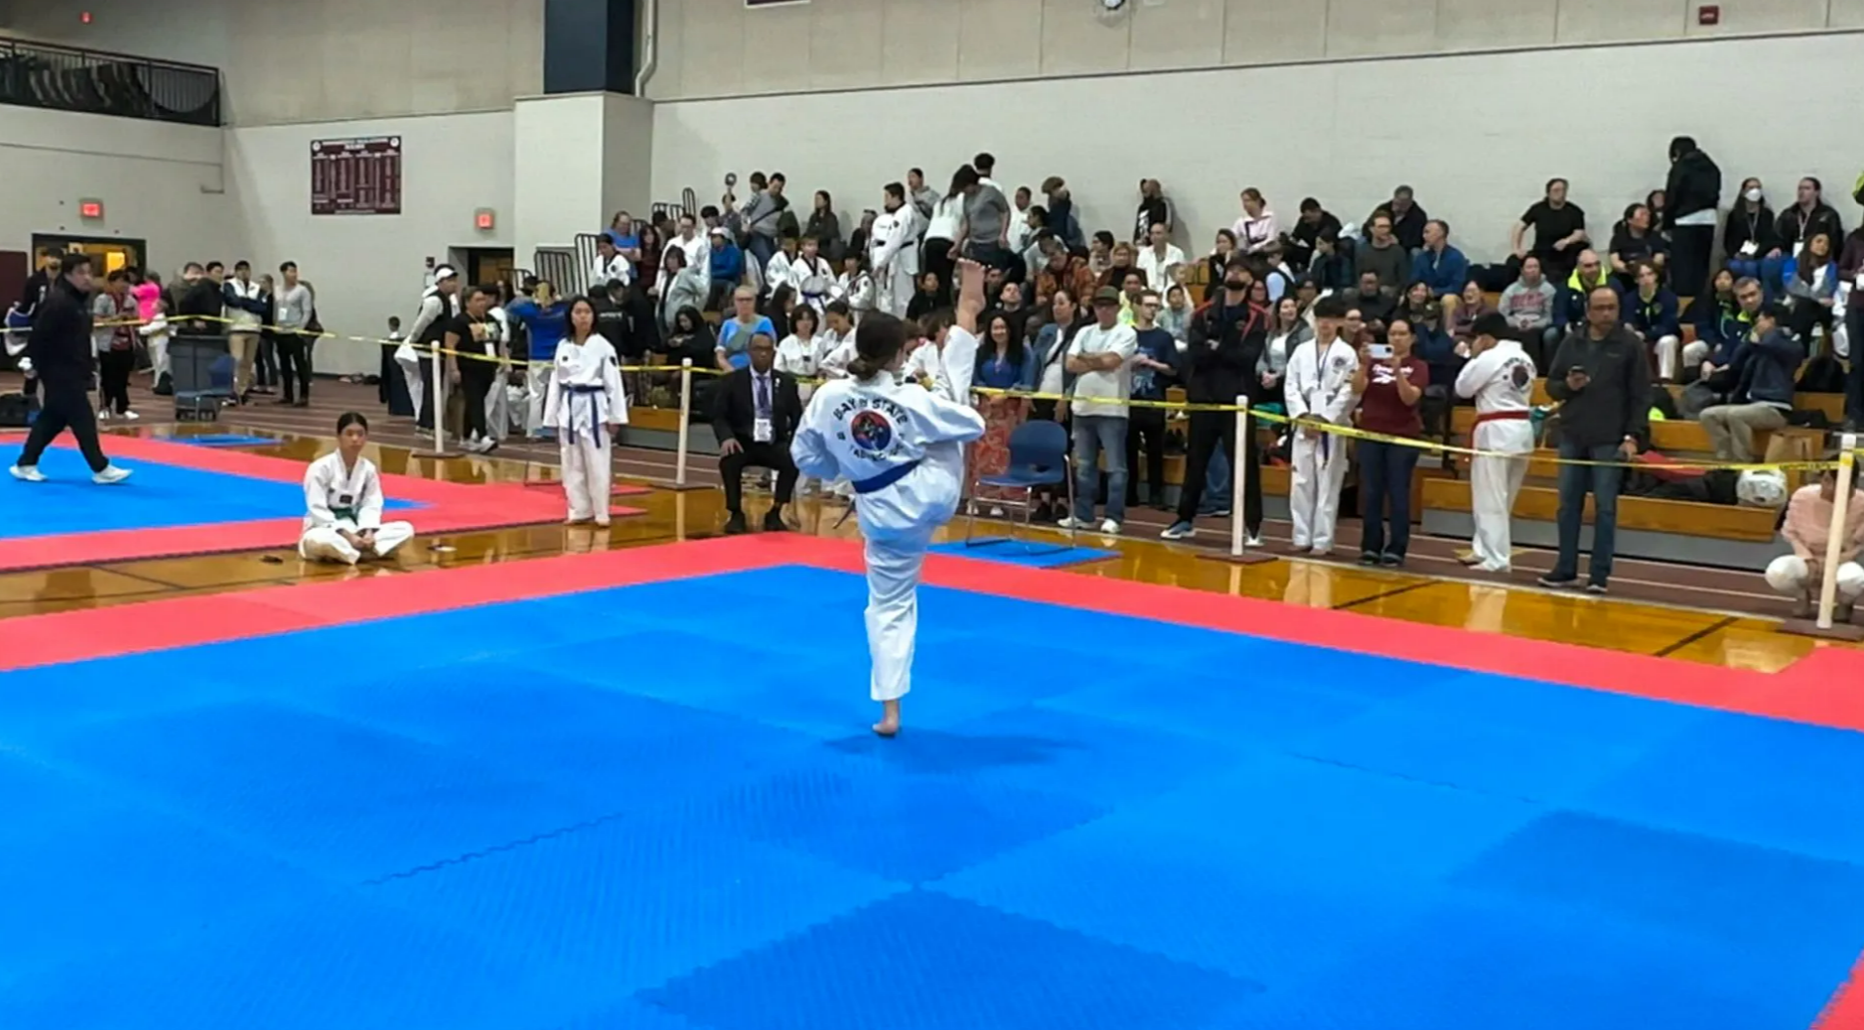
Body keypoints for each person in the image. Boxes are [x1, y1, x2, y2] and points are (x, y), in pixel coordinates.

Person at [789, 311, 987, 737]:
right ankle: (962, 334)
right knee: (947, 427)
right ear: (900, 355)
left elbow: (804, 456)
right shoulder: (910, 397)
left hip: (881, 513)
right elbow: (974, 424)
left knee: (888, 608)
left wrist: (844, 467)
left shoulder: (827, 396)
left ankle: (890, 711)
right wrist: (929, 398)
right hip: (933, 495)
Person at [1541, 284, 1651, 594]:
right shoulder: (1571, 342)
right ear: (1588, 311)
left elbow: (1641, 395)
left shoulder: (1630, 345)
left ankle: (1599, 575)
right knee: (1567, 505)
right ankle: (1565, 567)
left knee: (1605, 507)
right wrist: (1569, 386)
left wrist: (1632, 437)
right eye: (1600, 308)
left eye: (1611, 308)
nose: (1606, 313)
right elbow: (1552, 385)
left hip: (1609, 436)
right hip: (1573, 432)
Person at [1162, 258, 1265, 541]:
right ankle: (1184, 519)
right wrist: (1222, 350)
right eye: (1232, 270)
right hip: (1205, 397)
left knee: (1244, 464)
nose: (1235, 274)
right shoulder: (1203, 312)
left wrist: (1217, 348)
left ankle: (1252, 526)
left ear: (1250, 281)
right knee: (1195, 461)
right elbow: (1195, 353)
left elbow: (1248, 358)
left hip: (1238, 402)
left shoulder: (1257, 316)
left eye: (1242, 271)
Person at [8, 255, 131, 485]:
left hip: (72, 367)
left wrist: (87, 366)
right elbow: (40, 334)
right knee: (82, 415)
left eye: (89, 272)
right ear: (68, 275)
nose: (87, 278)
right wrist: (30, 362)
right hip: (57, 368)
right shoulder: (59, 302)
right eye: (81, 273)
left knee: (52, 418)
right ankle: (100, 466)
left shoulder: (78, 302)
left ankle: (25, 462)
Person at [1455, 313, 1538, 573]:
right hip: (1522, 432)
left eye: (1476, 339)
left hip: (1495, 432)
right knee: (1504, 498)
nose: (1474, 343)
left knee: (1489, 499)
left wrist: (1473, 358)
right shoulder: (1525, 357)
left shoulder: (1489, 357)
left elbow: (1463, 388)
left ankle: (1497, 559)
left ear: (1486, 338)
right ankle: (1483, 548)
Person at [1055, 287, 1136, 534]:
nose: (1104, 310)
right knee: (1085, 465)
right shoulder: (1084, 331)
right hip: (1082, 407)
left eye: (1109, 306)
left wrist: (1086, 359)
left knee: (1115, 467)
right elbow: (1070, 363)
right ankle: (1084, 514)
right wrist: (1099, 360)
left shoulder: (1126, 333)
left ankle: (1114, 516)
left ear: (1117, 308)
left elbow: (1113, 362)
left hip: (1112, 408)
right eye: (1099, 306)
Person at [1285, 296, 1359, 555]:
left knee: (1328, 485)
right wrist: (1303, 416)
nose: (1325, 325)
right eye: (1320, 319)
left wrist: (1326, 419)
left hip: (1330, 427)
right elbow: (1290, 385)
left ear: (1339, 322)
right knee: (1301, 482)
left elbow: (1350, 392)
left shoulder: (1347, 354)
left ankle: (1322, 540)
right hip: (1304, 424)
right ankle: (1301, 536)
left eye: (1330, 320)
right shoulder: (1301, 351)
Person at [1352, 315, 1428, 566]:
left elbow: (1409, 398)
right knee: (1372, 492)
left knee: (1398, 492)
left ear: (1412, 338)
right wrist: (1363, 364)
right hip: (1372, 432)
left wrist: (1397, 370)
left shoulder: (1418, 366)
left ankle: (1397, 547)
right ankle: (1370, 546)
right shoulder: (1373, 361)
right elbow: (1357, 389)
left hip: (1402, 436)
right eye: (1392, 334)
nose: (1396, 338)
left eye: (1401, 334)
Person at [545, 297, 626, 527]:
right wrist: (552, 417)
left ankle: (601, 511)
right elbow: (555, 383)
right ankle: (578, 509)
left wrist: (615, 416)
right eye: (578, 312)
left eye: (587, 312)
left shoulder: (603, 346)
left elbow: (614, 383)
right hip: (569, 407)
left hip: (595, 407)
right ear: (570, 316)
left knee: (597, 461)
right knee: (571, 462)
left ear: (594, 316)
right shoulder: (563, 346)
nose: (582, 316)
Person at [713, 333, 803, 534]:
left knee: (792, 460)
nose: (763, 354)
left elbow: (798, 417)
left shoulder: (786, 383)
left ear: (773, 353)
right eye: (758, 349)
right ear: (749, 352)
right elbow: (719, 416)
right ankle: (736, 513)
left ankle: (776, 511)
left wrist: (795, 442)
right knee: (729, 461)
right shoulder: (732, 381)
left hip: (773, 441)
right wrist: (727, 437)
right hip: (743, 441)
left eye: (767, 350)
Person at [299, 412, 415, 565]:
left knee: (405, 529)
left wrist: (368, 532)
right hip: (326, 529)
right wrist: (348, 536)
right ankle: (359, 553)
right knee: (318, 540)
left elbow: (371, 504)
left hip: (356, 528)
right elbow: (317, 509)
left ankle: (354, 551)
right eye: (349, 434)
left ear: (366, 437)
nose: (355, 439)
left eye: (360, 434)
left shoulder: (368, 469)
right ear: (338, 437)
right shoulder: (320, 468)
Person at [1700, 302, 1803, 464]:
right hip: (1752, 404)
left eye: (1760, 320)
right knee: (1708, 415)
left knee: (1736, 415)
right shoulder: (1757, 347)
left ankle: (1742, 463)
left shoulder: (1789, 341)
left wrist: (1762, 341)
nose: (1756, 325)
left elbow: (1788, 351)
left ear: (1771, 320)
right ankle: (1725, 461)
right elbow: (1735, 363)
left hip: (1775, 407)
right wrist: (1749, 344)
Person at [1766, 463, 1864, 620]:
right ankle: (1802, 597)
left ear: (1848, 483)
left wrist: (1835, 561)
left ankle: (1845, 604)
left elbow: (1860, 544)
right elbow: (1791, 532)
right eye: (1824, 479)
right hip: (1807, 558)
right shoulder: (1803, 496)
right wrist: (1807, 558)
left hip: (1842, 561)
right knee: (1777, 573)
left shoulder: (1861, 503)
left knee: (1854, 579)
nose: (1825, 486)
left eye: (1831, 481)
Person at [444, 285, 504, 454]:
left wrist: (502, 359)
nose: (482, 303)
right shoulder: (459, 322)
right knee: (475, 401)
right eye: (477, 300)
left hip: (488, 367)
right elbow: (450, 345)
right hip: (469, 369)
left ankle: (466, 437)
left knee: (474, 403)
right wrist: (454, 368)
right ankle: (483, 437)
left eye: (483, 300)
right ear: (467, 302)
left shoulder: (491, 320)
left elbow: (499, 341)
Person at [1662, 135, 1722, 297]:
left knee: (1683, 267)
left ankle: (1683, 303)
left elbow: (1672, 196)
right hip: (1708, 220)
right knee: (1701, 266)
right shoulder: (1712, 167)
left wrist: (1666, 224)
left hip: (1684, 221)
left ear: (1676, 151)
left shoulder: (1681, 167)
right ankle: (1699, 301)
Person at [408, 267, 461, 434]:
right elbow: (421, 323)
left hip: (438, 352)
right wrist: (413, 340)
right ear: (441, 282)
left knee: (435, 389)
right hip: (428, 352)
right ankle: (426, 425)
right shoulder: (434, 301)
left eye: (455, 280)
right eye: (450, 280)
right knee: (432, 389)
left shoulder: (447, 301)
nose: (454, 284)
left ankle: (429, 424)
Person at [1513, 177, 1589, 280]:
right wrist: (1517, 249)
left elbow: (1579, 233)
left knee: (1554, 273)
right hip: (1541, 251)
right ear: (1548, 192)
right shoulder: (1538, 209)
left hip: (1564, 254)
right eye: (1556, 190)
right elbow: (1519, 227)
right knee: (1512, 263)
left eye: (1563, 190)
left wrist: (1566, 241)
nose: (1560, 194)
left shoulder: (1574, 211)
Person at [1623, 262, 1683, 381]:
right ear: (1636, 280)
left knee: (1666, 342)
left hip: (1666, 335)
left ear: (1656, 276)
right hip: (1639, 337)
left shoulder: (1668, 297)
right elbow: (1628, 321)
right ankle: (1640, 382)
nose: (1646, 279)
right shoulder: (1629, 299)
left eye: (1649, 274)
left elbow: (1668, 325)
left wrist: (1646, 334)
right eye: (1641, 276)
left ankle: (1666, 380)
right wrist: (1633, 331)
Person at [92, 270, 138, 422]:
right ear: (111, 283)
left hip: (127, 342)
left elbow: (137, 318)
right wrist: (115, 319)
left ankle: (122, 408)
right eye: (120, 281)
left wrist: (132, 319)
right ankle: (105, 407)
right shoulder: (102, 299)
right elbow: (97, 320)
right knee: (107, 377)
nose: (123, 285)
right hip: (108, 343)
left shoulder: (131, 300)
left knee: (123, 378)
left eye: (126, 282)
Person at [871, 182, 922, 317]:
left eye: (887, 196)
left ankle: (906, 328)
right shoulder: (895, 215)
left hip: (903, 260)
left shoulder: (904, 213)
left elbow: (895, 241)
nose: (885, 200)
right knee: (891, 298)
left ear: (896, 197)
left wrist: (880, 265)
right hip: (895, 259)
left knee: (903, 299)